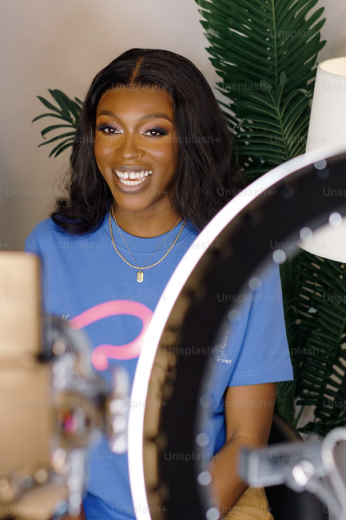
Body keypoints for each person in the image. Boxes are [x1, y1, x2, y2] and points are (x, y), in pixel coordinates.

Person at [25, 49, 293, 519]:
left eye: (154, 131)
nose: (127, 152)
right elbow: (30, 417)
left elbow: (246, 441)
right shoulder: (49, 248)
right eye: (109, 129)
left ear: (189, 140)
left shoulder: (242, 257)